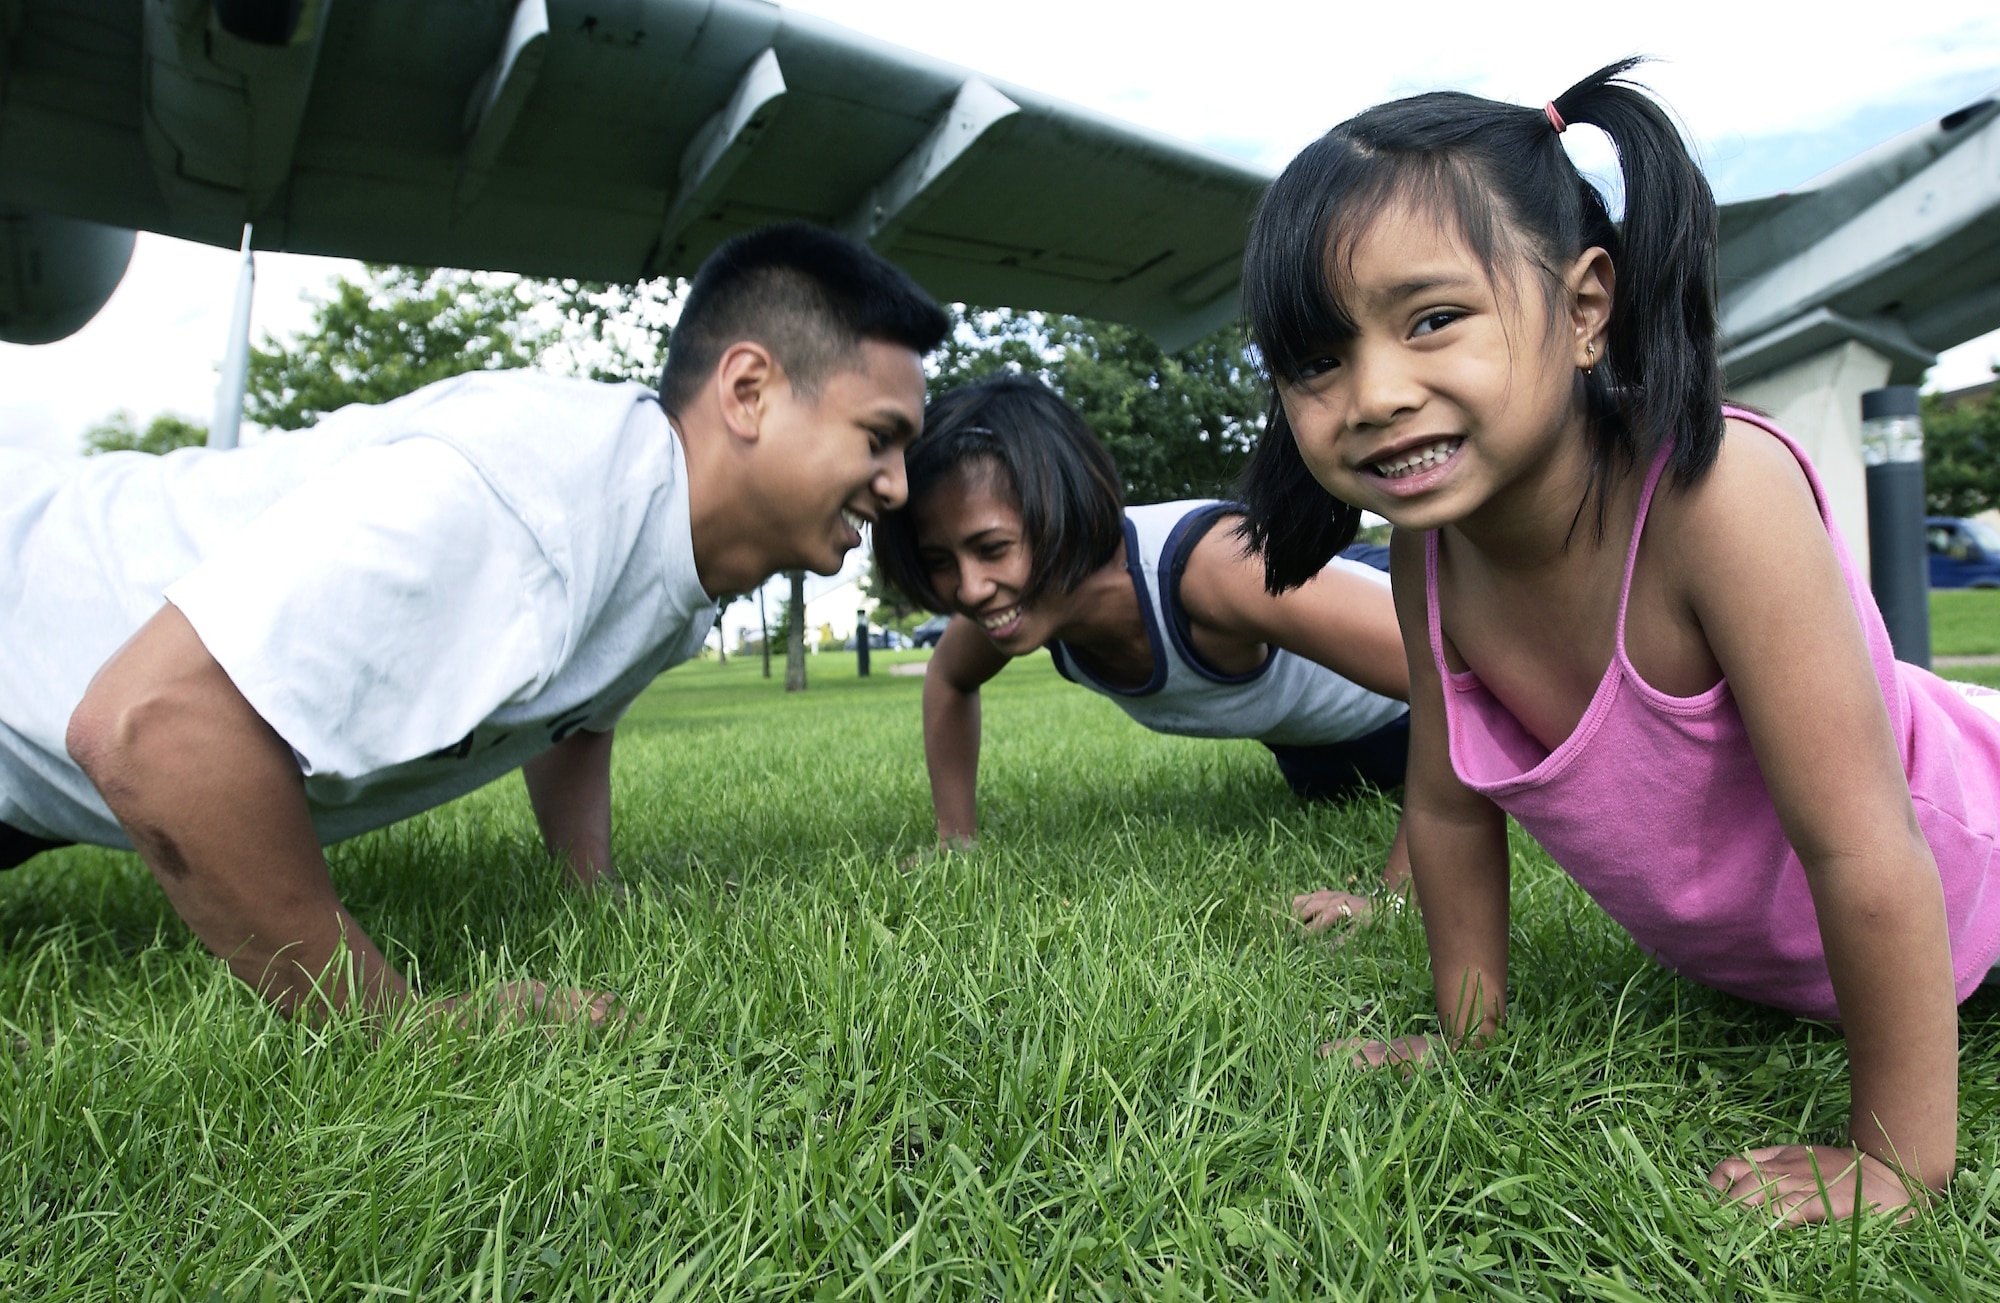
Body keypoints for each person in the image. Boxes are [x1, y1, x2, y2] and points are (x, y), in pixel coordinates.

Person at [1233, 57, 2000, 1223]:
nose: (1373, 392)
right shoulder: (1421, 558)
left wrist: (1894, 1157)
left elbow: (1863, 839)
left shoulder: (1713, 494)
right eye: (1314, 361)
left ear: (1584, 306)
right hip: (1796, 968)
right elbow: (1444, 805)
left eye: (1431, 319)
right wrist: (1464, 1035)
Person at [0, 223, 946, 1025]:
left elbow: (582, 702)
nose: (899, 488)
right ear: (748, 391)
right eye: (879, 438)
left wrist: (590, 893)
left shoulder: (673, 545)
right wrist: (408, 1033)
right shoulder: (527, 498)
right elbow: (150, 726)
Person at [873, 373, 1412, 918]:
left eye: (992, 547)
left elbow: (1448, 674)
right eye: (940, 562)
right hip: (1327, 759)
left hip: (1415, 684)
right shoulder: (1018, 602)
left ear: (1064, 509)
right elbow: (949, 678)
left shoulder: (1213, 569)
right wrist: (955, 841)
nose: (969, 587)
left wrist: (1396, 900)